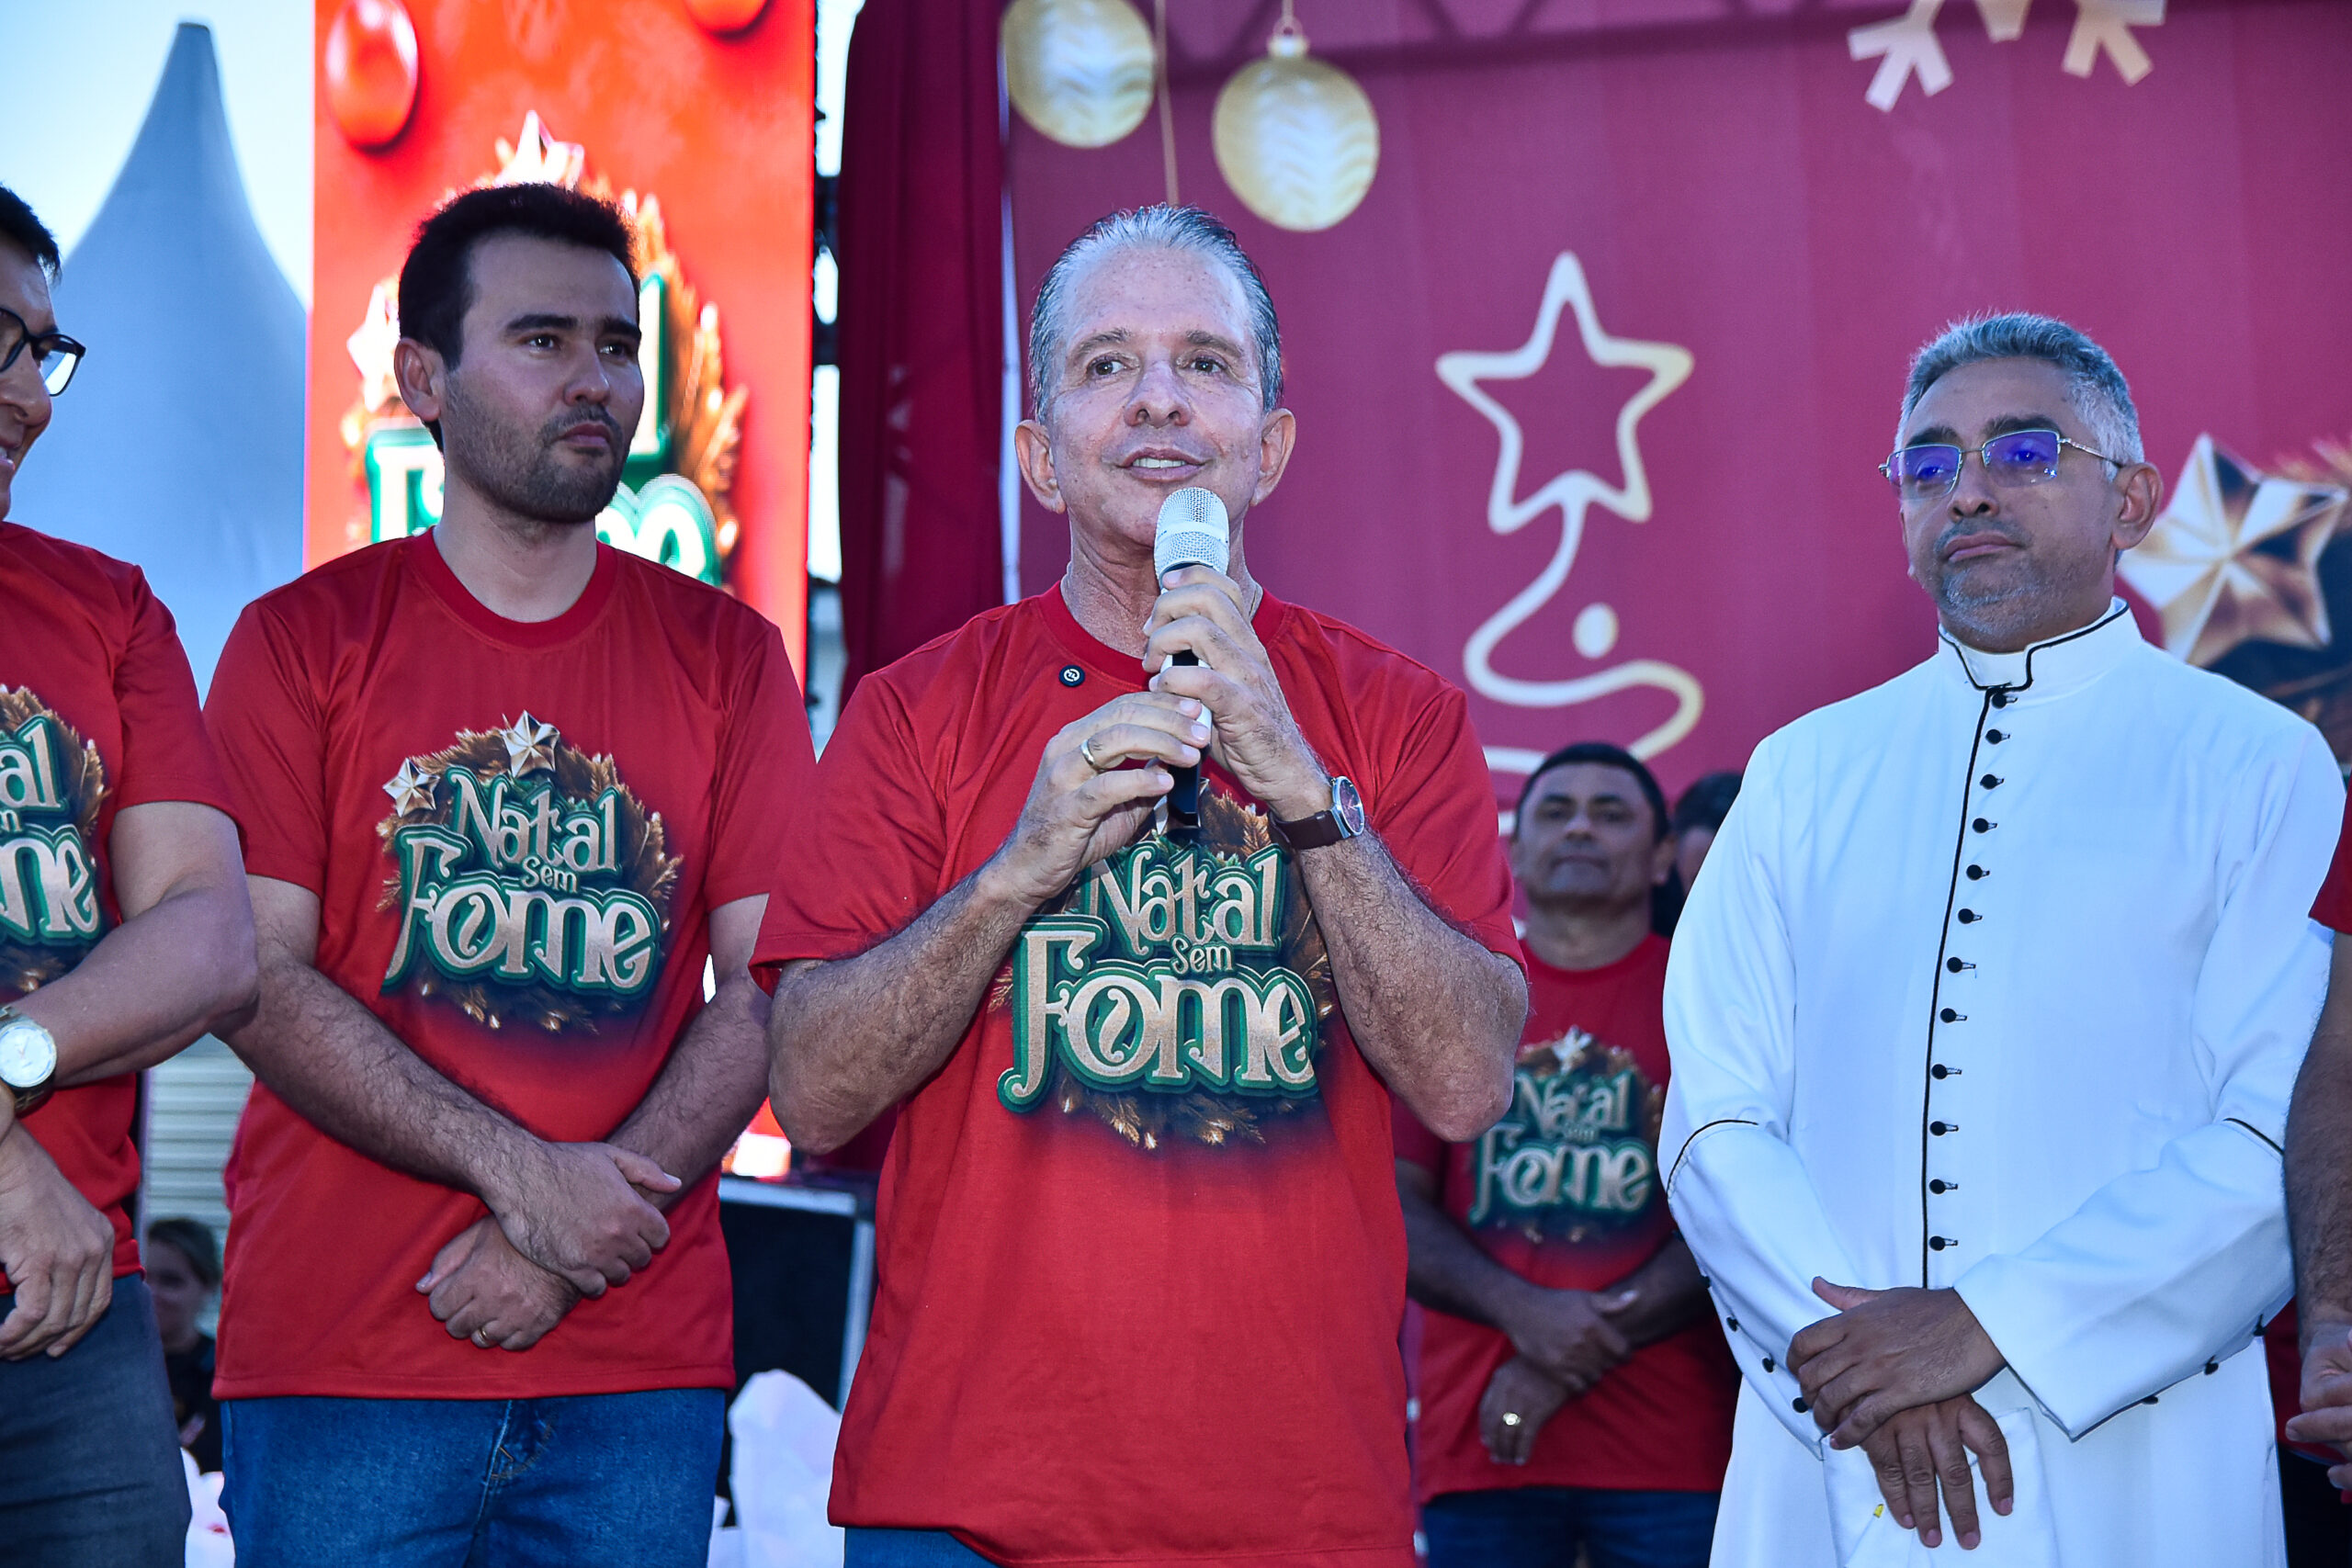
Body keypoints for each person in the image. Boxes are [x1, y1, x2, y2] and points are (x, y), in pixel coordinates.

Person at [756, 204, 1528, 1566]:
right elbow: (812, 1093)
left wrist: (1299, 781)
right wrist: (1014, 875)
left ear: (1268, 446)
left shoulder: (1400, 718)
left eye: (1205, 362)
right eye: (1107, 363)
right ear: (1040, 457)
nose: (1159, 397)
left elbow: (1466, 1084)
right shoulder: (913, 710)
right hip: (966, 1506)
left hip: (1298, 1513)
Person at [1660, 312, 2339, 1567]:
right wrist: (1864, 1370)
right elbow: (1714, 1117)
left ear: (2130, 500)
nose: (1966, 489)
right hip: (1832, 1440)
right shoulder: (1802, 771)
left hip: (2136, 1443)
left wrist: (1989, 1326)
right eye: (1928, 464)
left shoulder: (2257, 762)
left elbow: (2278, 1133)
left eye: (2023, 452)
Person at [202, 184, 814, 1567]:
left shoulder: (729, 658)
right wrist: (526, 1180)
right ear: (423, 379)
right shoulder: (302, 641)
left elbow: (774, 984)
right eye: (543, 339)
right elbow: (250, 975)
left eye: (618, 344)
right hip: (345, 1361)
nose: (596, 379)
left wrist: (559, 1239)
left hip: (632, 1374)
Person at [0, 183, 257, 1566]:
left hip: (69, 1313)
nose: (29, 397)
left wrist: (8, 1074)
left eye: (44, 352)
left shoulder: (107, 611)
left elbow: (209, 939)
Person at [1397, 741, 1736, 1568]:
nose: (1580, 827)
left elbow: (1742, 1208)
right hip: (1481, 1450)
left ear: (1663, 854)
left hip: (1675, 1452)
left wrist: (1558, 1355)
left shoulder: (1715, 1000)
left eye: (1610, 813)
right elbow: (1396, 1206)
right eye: (1556, 811)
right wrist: (1527, 1312)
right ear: (1515, 851)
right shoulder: (1456, 996)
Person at [144, 1215, 222, 1474]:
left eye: (170, 1281)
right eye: (141, 1277)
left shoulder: (224, 1375)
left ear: (209, 1287)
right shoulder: (107, 1367)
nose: (150, 1292)